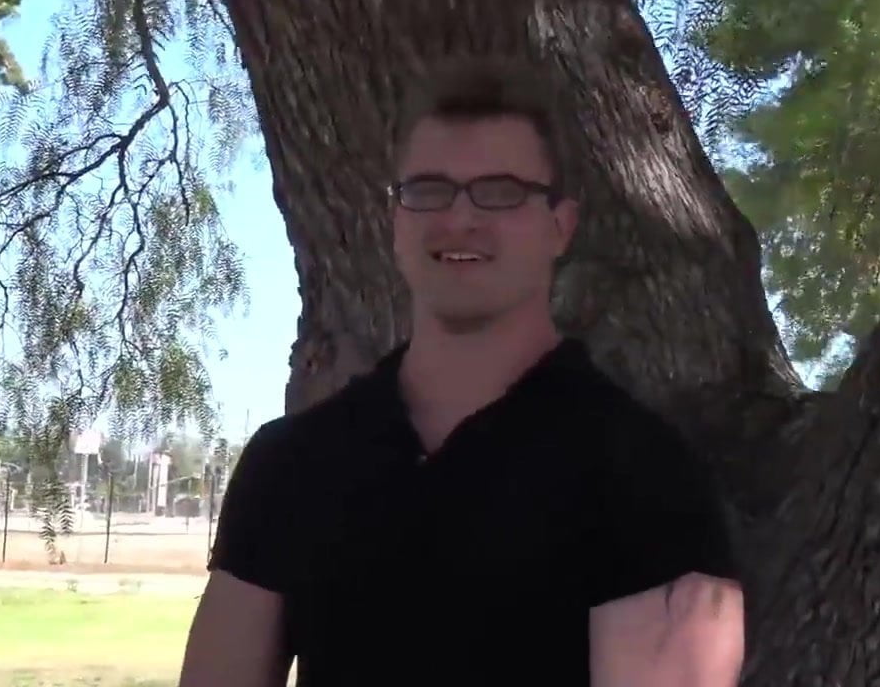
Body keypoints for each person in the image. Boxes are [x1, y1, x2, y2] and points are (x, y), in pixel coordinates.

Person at [178, 55, 745, 686]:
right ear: (395, 220)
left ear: (560, 226)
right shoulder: (289, 464)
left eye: (501, 191)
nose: (460, 218)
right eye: (429, 190)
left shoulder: (646, 476)